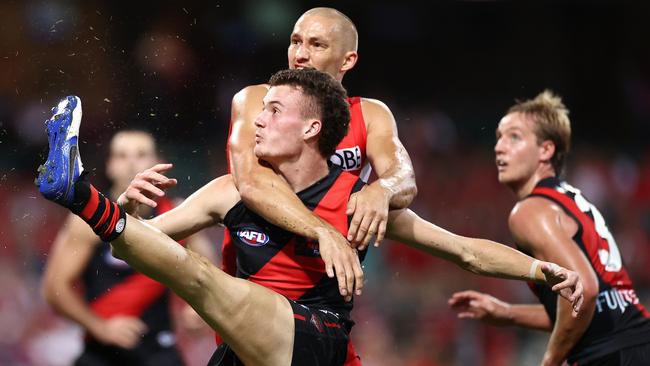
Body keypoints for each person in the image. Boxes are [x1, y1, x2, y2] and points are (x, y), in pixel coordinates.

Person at [36, 70, 583, 366]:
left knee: (202, 278)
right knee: (189, 272)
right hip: (245, 346)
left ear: (311, 128)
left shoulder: (357, 200)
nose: (258, 120)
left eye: (274, 110)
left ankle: (77, 191)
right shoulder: (234, 189)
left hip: (314, 340)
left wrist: (541, 272)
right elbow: (130, 248)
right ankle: (85, 197)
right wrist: (128, 208)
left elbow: (465, 249)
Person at [449, 91, 650, 366]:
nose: (499, 147)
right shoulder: (569, 199)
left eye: (514, 137)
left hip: (609, 355)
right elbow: (585, 304)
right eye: (498, 137)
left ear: (546, 150)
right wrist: (507, 313)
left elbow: (586, 291)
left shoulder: (530, 211)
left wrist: (551, 360)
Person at [223, 7, 417, 291]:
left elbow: (404, 178)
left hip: (322, 287)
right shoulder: (258, 100)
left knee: (462, 251)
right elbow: (252, 184)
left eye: (317, 44)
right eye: (295, 41)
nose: (300, 54)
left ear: (348, 60)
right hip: (254, 277)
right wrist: (324, 231)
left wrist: (382, 189)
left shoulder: (369, 114)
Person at [41, 130, 212, 366]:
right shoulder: (86, 221)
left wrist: (199, 310)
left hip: (159, 351)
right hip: (102, 352)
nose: (131, 163)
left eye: (141, 154)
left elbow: (209, 270)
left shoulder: (179, 214)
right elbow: (54, 288)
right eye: (122, 156)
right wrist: (99, 327)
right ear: (110, 166)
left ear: (157, 162)